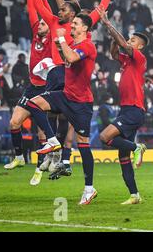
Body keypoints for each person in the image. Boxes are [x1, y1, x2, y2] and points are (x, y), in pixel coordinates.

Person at [21, 14, 98, 205]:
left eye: (76, 23)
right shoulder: (74, 45)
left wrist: (61, 39)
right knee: (32, 103)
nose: (72, 25)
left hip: (81, 103)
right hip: (65, 95)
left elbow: (71, 57)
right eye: (72, 23)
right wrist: (59, 46)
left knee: (83, 143)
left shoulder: (88, 45)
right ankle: (53, 140)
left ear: (85, 29)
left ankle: (89, 188)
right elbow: (67, 58)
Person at [97, 6, 148, 205]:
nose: (129, 41)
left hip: (134, 110)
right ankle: (134, 195)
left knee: (104, 137)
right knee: (123, 157)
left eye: (133, 40)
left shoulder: (139, 58)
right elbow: (113, 53)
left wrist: (109, 24)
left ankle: (138, 147)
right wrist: (114, 38)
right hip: (127, 110)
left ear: (140, 46)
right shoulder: (127, 61)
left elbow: (124, 48)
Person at [4, 0, 52, 188]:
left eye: (44, 23)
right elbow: (33, 10)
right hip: (32, 87)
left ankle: (39, 169)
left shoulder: (53, 37)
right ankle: (19, 156)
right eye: (39, 23)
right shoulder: (35, 33)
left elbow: (45, 12)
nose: (40, 24)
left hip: (47, 91)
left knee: (42, 133)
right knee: (14, 123)